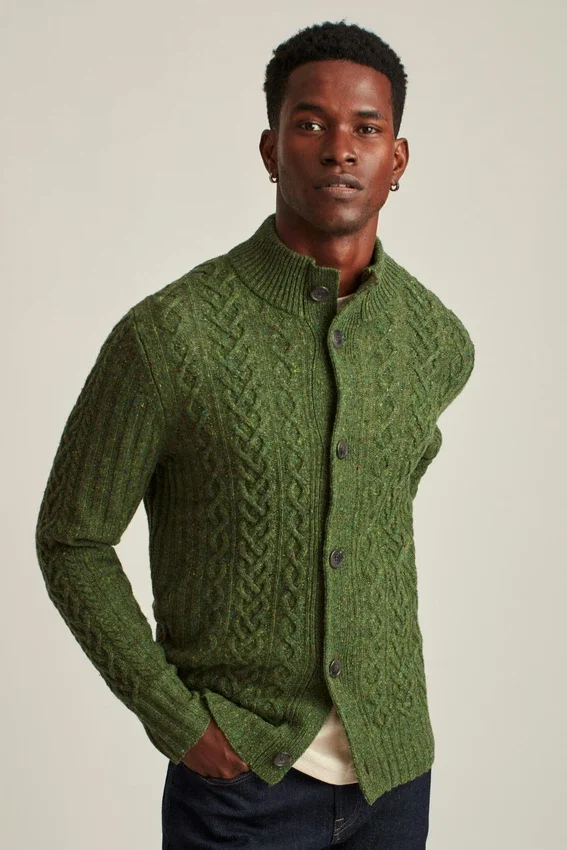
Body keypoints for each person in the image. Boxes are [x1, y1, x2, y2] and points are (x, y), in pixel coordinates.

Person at [35, 19, 475, 850]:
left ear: (397, 159)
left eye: (365, 129)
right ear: (271, 150)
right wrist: (176, 720)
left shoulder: (433, 342)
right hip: (240, 790)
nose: (339, 149)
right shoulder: (171, 336)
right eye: (310, 124)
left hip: (393, 777)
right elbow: (71, 538)